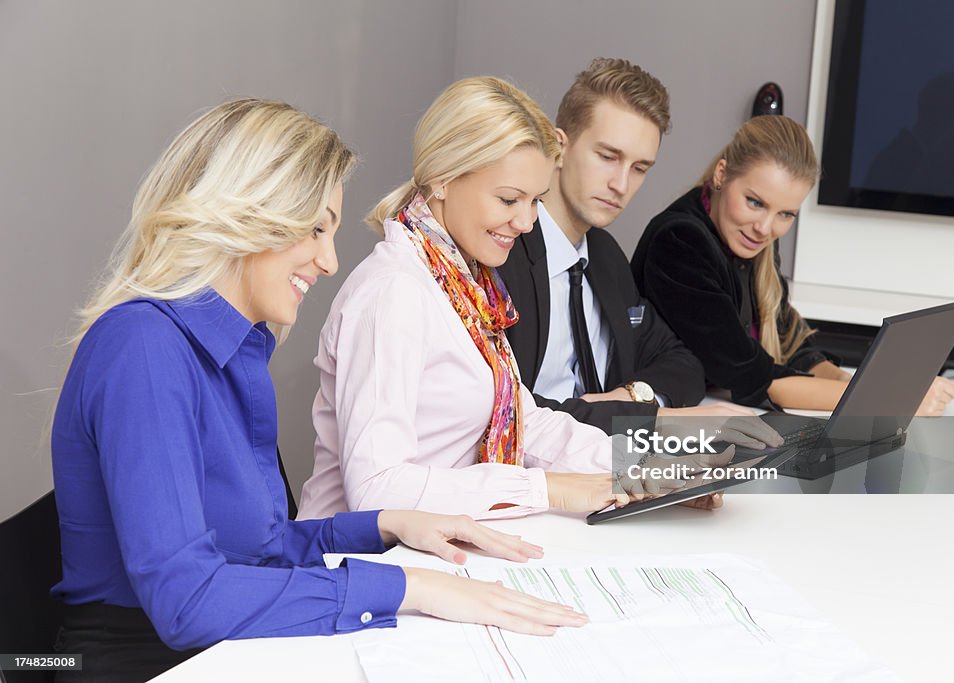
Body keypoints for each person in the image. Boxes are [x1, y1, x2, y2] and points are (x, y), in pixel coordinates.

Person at [50, 99, 588, 683]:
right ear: (252, 212)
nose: (331, 261)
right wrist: (405, 585)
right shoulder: (143, 347)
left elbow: (260, 545)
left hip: (213, 647)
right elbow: (188, 601)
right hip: (140, 663)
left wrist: (386, 527)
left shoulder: (237, 347)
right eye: (316, 228)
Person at [298, 77, 708, 523]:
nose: (528, 222)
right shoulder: (393, 292)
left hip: (435, 547)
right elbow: (377, 490)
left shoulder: (467, 285)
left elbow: (525, 423)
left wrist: (647, 468)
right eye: (510, 199)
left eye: (535, 201)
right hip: (359, 564)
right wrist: (547, 489)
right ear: (443, 179)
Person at [497, 58, 766, 436]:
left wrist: (630, 396)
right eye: (608, 157)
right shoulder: (501, 254)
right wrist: (655, 424)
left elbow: (684, 363)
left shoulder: (604, 258)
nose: (621, 184)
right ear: (559, 147)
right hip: (529, 481)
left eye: (640, 168)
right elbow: (509, 417)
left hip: (607, 468)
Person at [631, 115, 954, 413]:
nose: (766, 228)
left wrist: (853, 385)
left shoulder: (750, 239)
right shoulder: (679, 242)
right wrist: (888, 398)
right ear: (721, 175)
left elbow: (792, 343)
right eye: (755, 202)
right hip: (659, 421)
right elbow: (747, 374)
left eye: (785, 214)